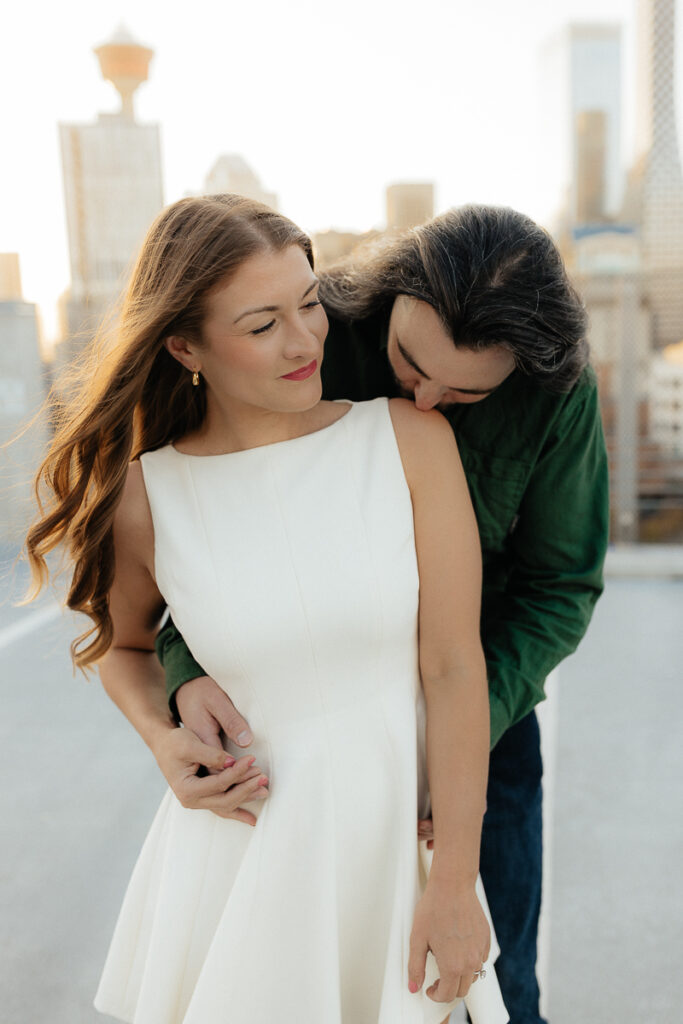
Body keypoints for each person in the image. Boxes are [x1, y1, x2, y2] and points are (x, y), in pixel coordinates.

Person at [25, 194, 510, 1024]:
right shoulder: (148, 496)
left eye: (310, 303)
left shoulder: (407, 439)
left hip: (389, 858)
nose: (304, 340)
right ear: (184, 345)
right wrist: (162, 739)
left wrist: (456, 885)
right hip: (236, 860)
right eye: (261, 325)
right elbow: (125, 648)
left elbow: (453, 664)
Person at [157, 203, 610, 1024]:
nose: (426, 401)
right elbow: (207, 518)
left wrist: (454, 734)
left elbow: (560, 588)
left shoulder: (556, 392)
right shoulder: (302, 329)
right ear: (387, 292)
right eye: (408, 364)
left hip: (485, 724)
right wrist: (183, 675)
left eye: (465, 392)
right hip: (309, 744)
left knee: (492, 990)